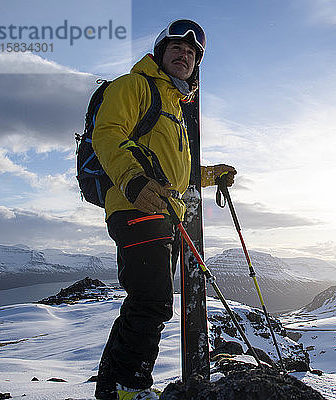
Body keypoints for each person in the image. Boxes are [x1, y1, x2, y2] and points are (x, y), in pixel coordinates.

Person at [92, 20, 236, 400]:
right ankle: (131, 388)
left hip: (163, 212)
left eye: (192, 53)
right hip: (135, 205)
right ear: (160, 51)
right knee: (154, 301)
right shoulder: (134, 86)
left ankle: (112, 388)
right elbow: (107, 132)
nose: (184, 54)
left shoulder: (173, 109)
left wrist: (212, 175)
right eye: (177, 47)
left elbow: (178, 173)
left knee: (144, 301)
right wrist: (134, 182)